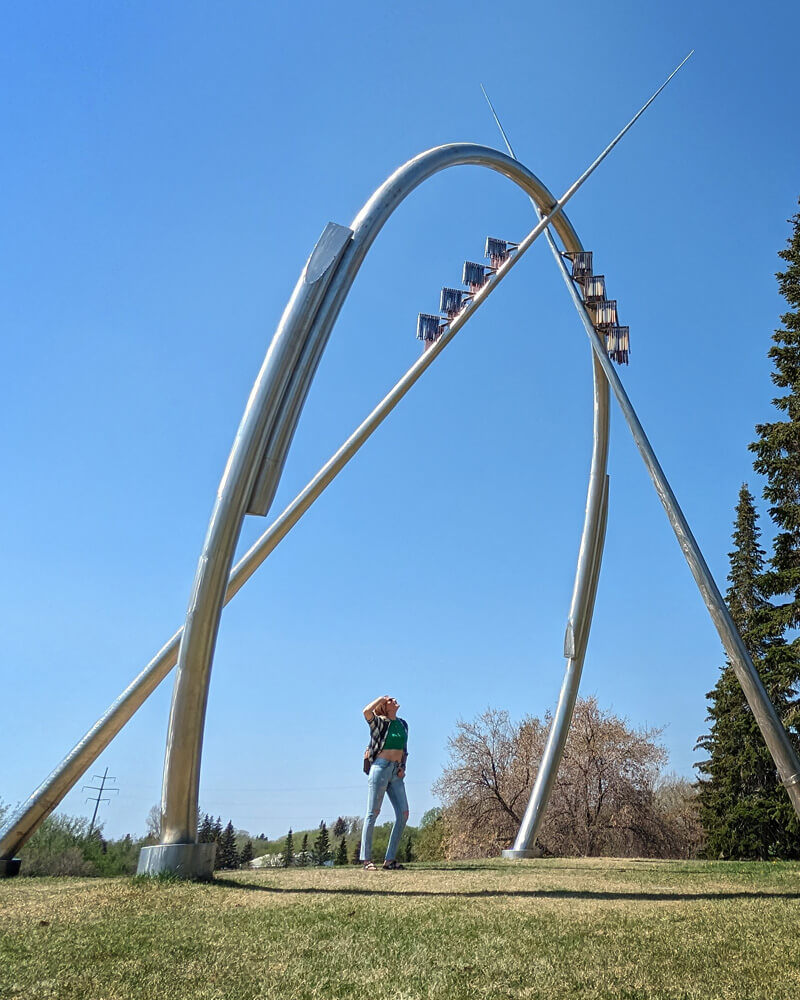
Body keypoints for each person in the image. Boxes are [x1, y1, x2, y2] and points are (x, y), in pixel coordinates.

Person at [360, 694, 409, 870]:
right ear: (384, 706)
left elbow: (404, 749)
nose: (394, 700)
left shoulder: (403, 724)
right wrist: (380, 699)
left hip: (396, 771)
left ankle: (389, 860)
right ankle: (367, 860)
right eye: (390, 700)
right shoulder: (380, 723)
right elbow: (366, 712)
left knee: (403, 814)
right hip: (380, 768)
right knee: (373, 813)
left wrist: (403, 766)